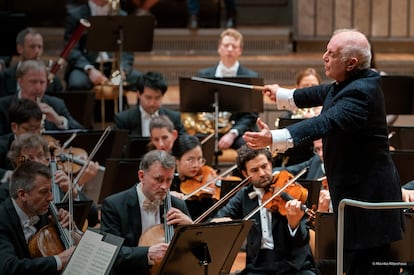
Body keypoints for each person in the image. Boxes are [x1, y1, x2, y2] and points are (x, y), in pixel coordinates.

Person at [243, 28, 403, 274]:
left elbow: (323, 122)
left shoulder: (361, 93)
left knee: (369, 268)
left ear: (351, 63)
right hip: (356, 198)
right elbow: (319, 92)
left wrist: (275, 137)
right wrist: (282, 94)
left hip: (369, 204)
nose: (324, 57)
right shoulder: (350, 82)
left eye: (331, 53)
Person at [212, 145, 318, 274]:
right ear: (245, 174)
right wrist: (222, 222)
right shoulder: (244, 195)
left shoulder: (291, 189)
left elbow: (303, 240)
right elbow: (218, 219)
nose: (262, 174)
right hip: (259, 265)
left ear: (271, 164)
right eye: (254, 170)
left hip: (293, 265)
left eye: (264, 166)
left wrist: (294, 224)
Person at [100, 150, 192, 274]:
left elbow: (193, 253)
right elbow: (110, 252)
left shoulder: (178, 205)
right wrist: (147, 253)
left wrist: (190, 227)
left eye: (169, 180)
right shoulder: (114, 205)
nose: (165, 187)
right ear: (141, 176)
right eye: (159, 179)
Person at [0, 133, 100, 227]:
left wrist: (73, 192)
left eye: (40, 156)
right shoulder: (4, 191)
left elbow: (93, 218)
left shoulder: (58, 184)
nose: (37, 162)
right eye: (30, 158)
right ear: (17, 163)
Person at [0, 160, 75, 274]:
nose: (51, 198)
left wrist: (70, 229)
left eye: (50, 190)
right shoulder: (2, 219)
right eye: (44, 191)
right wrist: (59, 260)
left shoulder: (46, 210)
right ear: (22, 195)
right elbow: (9, 268)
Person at [196, 28, 259, 150]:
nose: (230, 49)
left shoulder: (251, 77)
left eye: (234, 46)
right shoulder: (203, 75)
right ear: (219, 48)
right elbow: (198, 107)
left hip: (239, 130)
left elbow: (251, 115)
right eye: (226, 45)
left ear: (240, 50)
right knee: (193, 144)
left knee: (248, 148)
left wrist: (232, 134)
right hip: (210, 129)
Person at [64, 0, 141, 91]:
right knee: (77, 83)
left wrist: (123, 70)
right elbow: (71, 49)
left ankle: (126, 105)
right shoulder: (76, 15)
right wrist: (90, 69)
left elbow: (127, 50)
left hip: (114, 67)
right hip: (86, 66)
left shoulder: (121, 15)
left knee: (142, 81)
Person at [0, 60, 84, 136]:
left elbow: (82, 133)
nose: (38, 87)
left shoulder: (56, 104)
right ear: (20, 82)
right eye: (33, 82)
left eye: (42, 82)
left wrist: (59, 121)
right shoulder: (3, 106)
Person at [114, 71, 185, 136]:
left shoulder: (174, 118)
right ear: (139, 94)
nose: (152, 103)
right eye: (148, 97)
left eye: (157, 98)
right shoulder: (123, 120)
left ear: (163, 96)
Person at [0, 27, 64, 97]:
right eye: (32, 47)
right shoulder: (3, 78)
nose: (37, 51)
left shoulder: (53, 81)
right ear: (19, 48)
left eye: (40, 47)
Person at [171, 134, 219, 220]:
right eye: (190, 160)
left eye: (199, 159)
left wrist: (207, 197)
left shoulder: (204, 188)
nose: (196, 165)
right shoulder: (169, 182)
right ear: (176, 160)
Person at [0, 98, 43, 184]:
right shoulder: (1, 145)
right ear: (14, 127)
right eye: (30, 129)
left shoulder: (43, 146)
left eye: (38, 128)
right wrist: (8, 174)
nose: (35, 134)